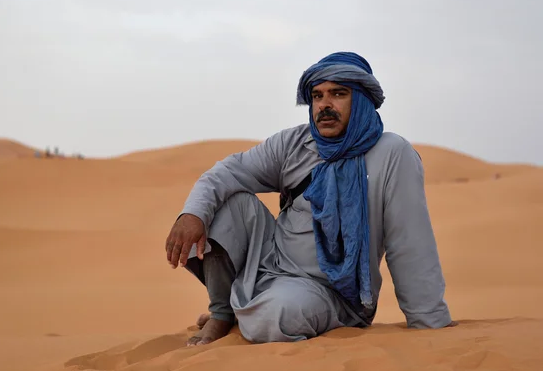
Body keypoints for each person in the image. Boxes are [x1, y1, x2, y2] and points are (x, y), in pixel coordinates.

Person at [165, 52, 455, 346]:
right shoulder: (295, 143)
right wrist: (192, 214)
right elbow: (229, 171)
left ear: (363, 99)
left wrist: (428, 322)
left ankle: (248, 311)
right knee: (222, 202)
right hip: (270, 263)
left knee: (277, 315)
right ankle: (223, 313)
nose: (325, 105)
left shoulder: (392, 154)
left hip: (330, 292)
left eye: (338, 94)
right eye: (317, 96)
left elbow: (410, 243)